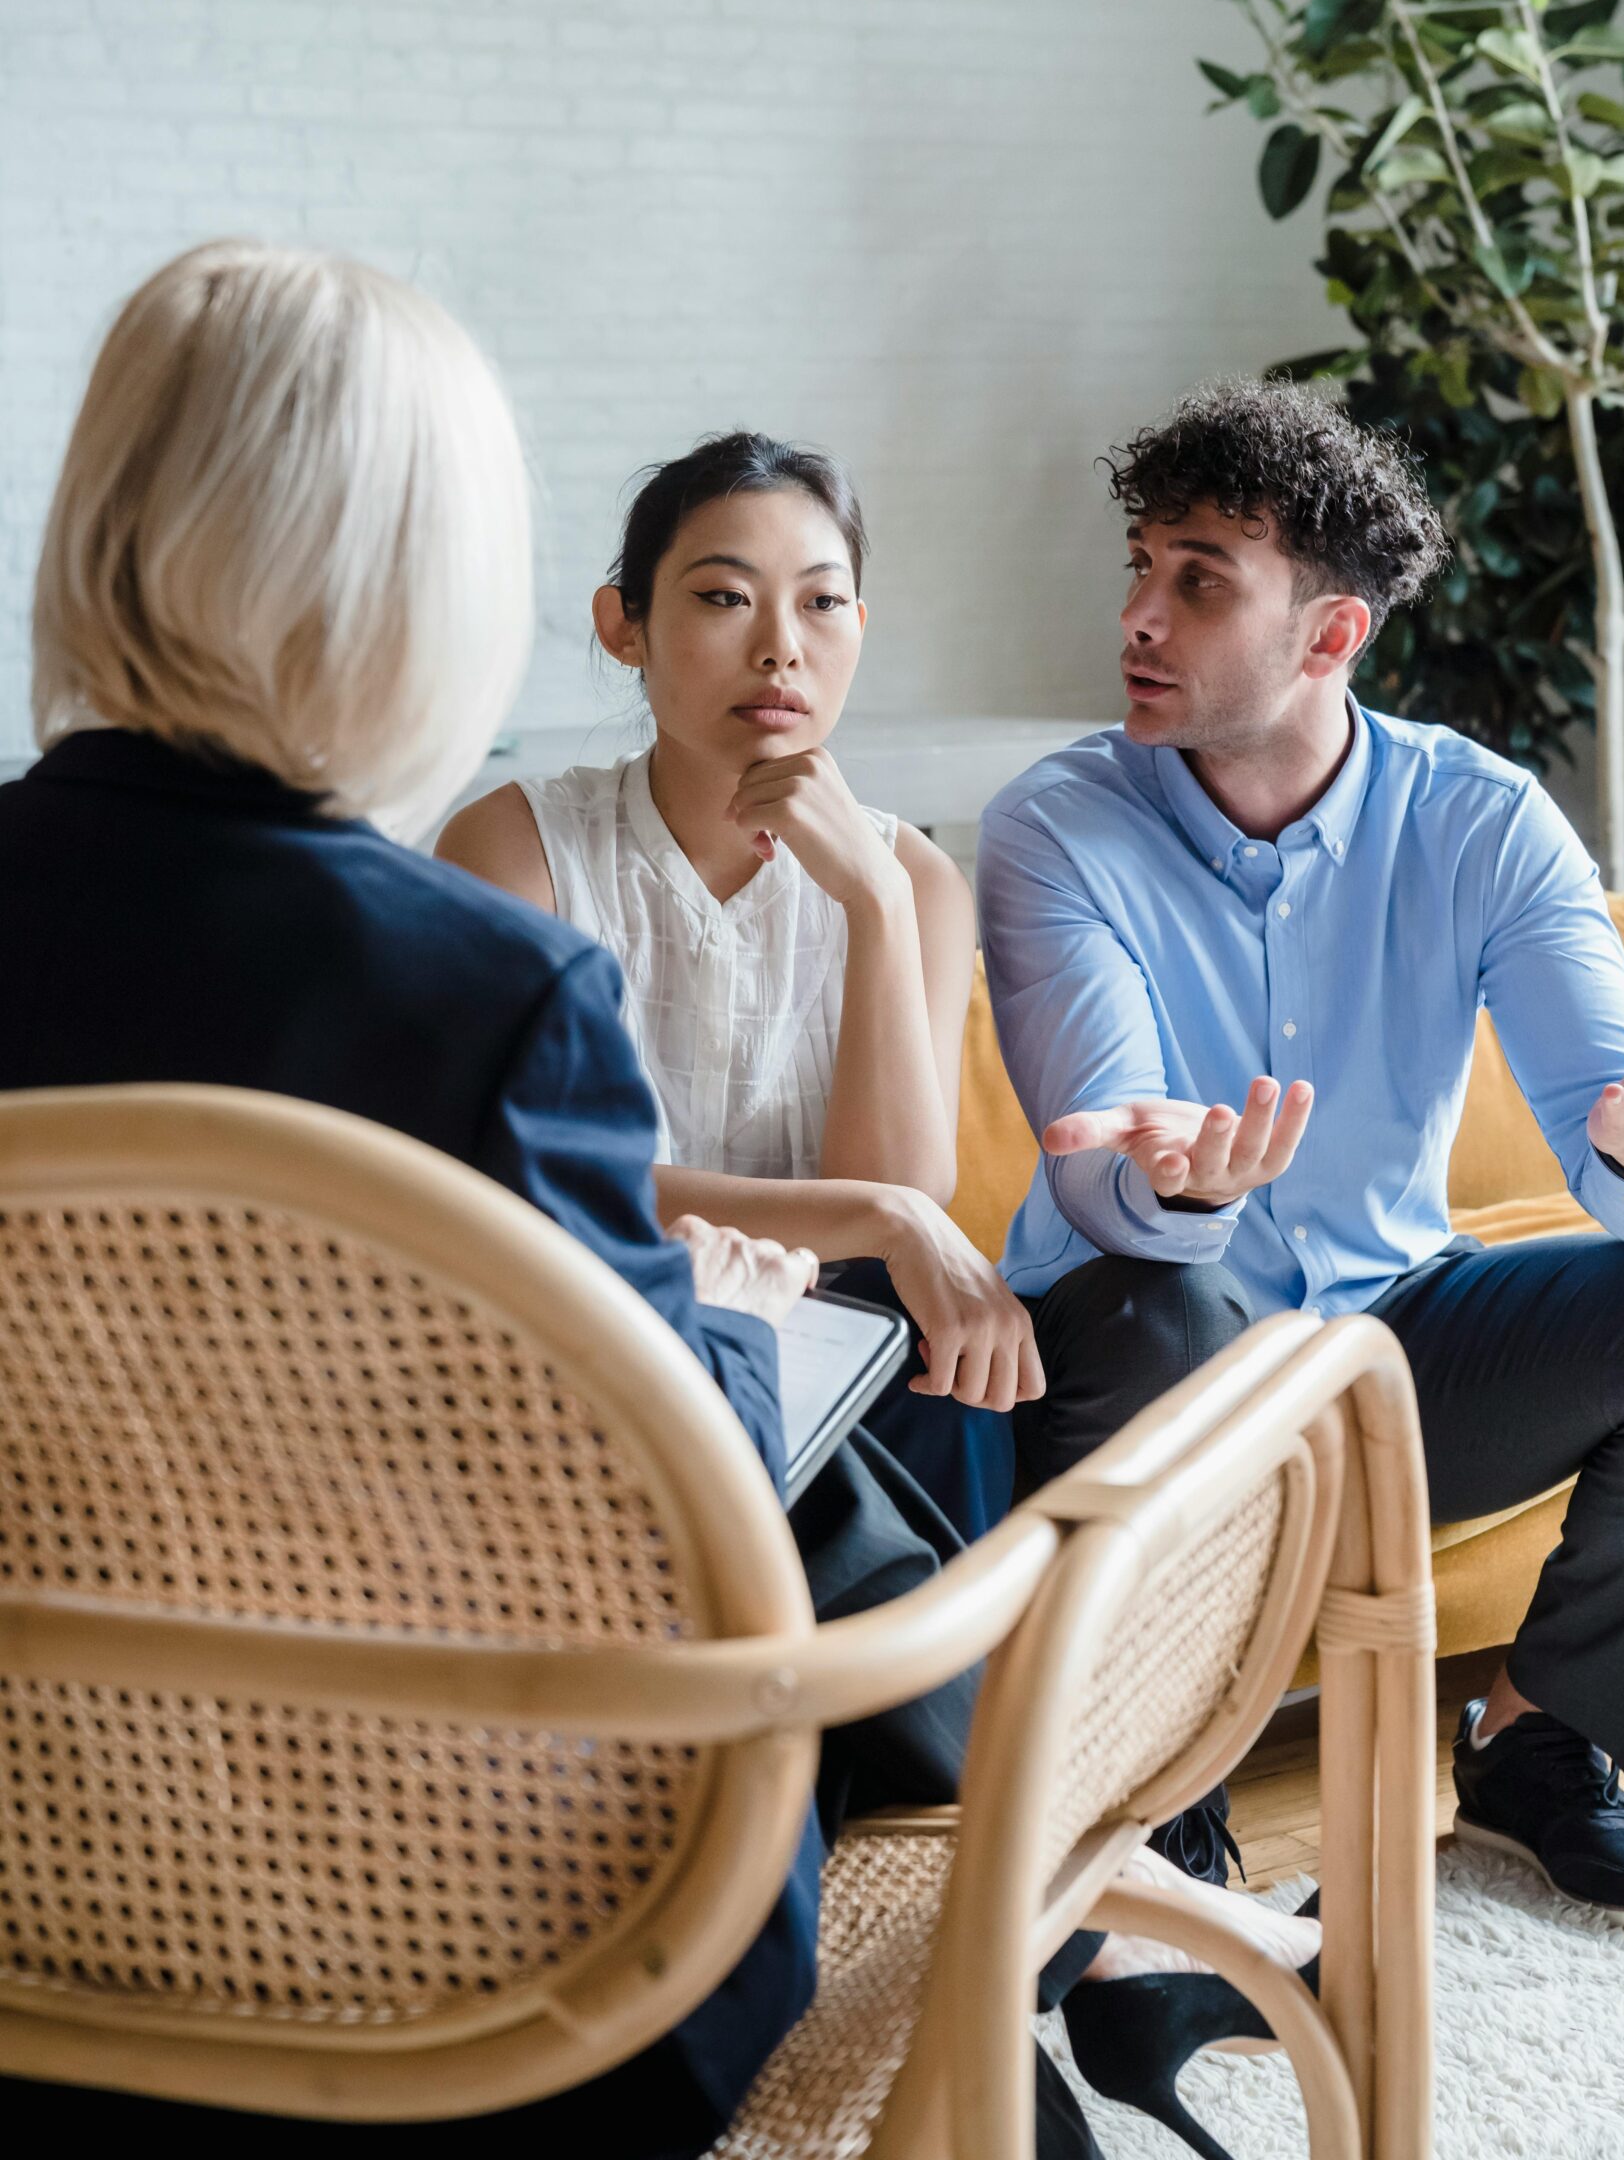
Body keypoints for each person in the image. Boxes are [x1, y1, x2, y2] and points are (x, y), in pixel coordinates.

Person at [0, 243, 1113, 2156]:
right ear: (418, 590)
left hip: (45, 1884)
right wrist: (749, 1339)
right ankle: (1064, 2003)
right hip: (504, 1931)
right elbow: (654, 1509)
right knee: (852, 1524)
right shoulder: (480, 990)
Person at [978, 375, 1624, 1934]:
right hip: (1129, 1364)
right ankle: (1152, 1808)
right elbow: (1096, 1146)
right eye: (1138, 566)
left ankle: (1538, 1744)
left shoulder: (1483, 821)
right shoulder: (1052, 827)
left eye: (1195, 581)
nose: (1137, 617)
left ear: (1328, 635)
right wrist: (1171, 1183)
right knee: (1153, 1298)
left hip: (1385, 1345)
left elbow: (1618, 1143)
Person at [436, 430, 1038, 1542]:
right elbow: (531, 1185)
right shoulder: (514, 848)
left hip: (840, 1338)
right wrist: (888, 1218)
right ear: (625, 625)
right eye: (723, 597)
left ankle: (953, 1710)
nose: (780, 650)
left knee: (946, 1370)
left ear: (858, 629)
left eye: (821, 604)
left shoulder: (913, 881)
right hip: (601, 1329)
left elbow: (895, 1197)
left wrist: (876, 904)